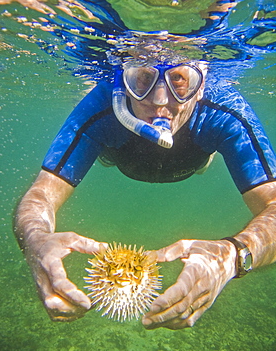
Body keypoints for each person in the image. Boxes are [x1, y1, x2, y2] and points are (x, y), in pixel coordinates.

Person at [14, 55, 276, 329]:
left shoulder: (224, 110)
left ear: (201, 87)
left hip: (192, 159)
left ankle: (205, 158)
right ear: (122, 84)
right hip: (120, 156)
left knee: (201, 163)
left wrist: (232, 257)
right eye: (143, 79)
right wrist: (35, 239)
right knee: (104, 151)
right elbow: (41, 193)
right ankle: (103, 150)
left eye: (179, 80)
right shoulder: (101, 105)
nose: (160, 100)